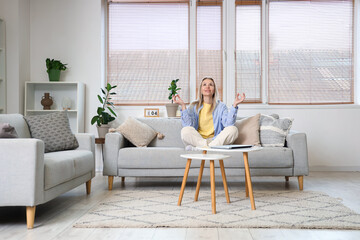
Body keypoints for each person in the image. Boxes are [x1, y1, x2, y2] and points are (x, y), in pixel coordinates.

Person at [172, 77, 245, 150]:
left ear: (214, 90)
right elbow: (188, 125)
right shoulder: (194, 106)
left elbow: (228, 124)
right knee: (185, 131)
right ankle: (208, 147)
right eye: (204, 84)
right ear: (201, 90)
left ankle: (202, 148)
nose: (207, 86)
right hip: (198, 140)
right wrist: (183, 106)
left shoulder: (221, 106)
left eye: (211, 85)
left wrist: (235, 105)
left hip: (216, 140)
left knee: (233, 129)